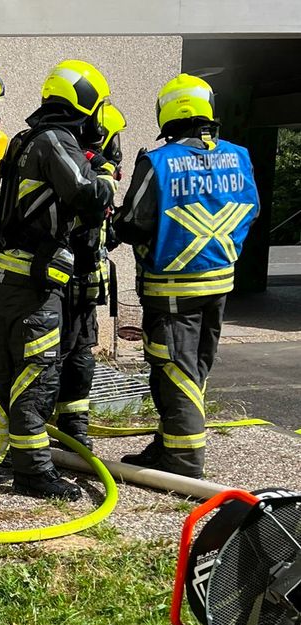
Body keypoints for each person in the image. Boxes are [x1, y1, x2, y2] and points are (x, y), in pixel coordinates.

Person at [0, 59, 118, 500]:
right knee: (36, 375)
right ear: (87, 106)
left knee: (4, 371)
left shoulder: (24, 140)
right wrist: (107, 174)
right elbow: (88, 194)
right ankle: (35, 472)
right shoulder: (56, 141)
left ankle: (1, 459)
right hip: (33, 285)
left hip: (7, 276)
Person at [113, 73, 259, 478]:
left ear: (169, 113)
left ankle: (183, 464)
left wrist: (112, 223)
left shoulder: (158, 162)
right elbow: (252, 210)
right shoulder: (238, 156)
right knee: (194, 368)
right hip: (219, 282)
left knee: (174, 370)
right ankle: (167, 446)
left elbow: (134, 223)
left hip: (171, 288)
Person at [55, 101, 127, 449]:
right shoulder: (88, 171)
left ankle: (70, 429)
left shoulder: (82, 168)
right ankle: (60, 431)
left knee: (75, 356)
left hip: (76, 284)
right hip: (72, 282)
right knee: (67, 355)